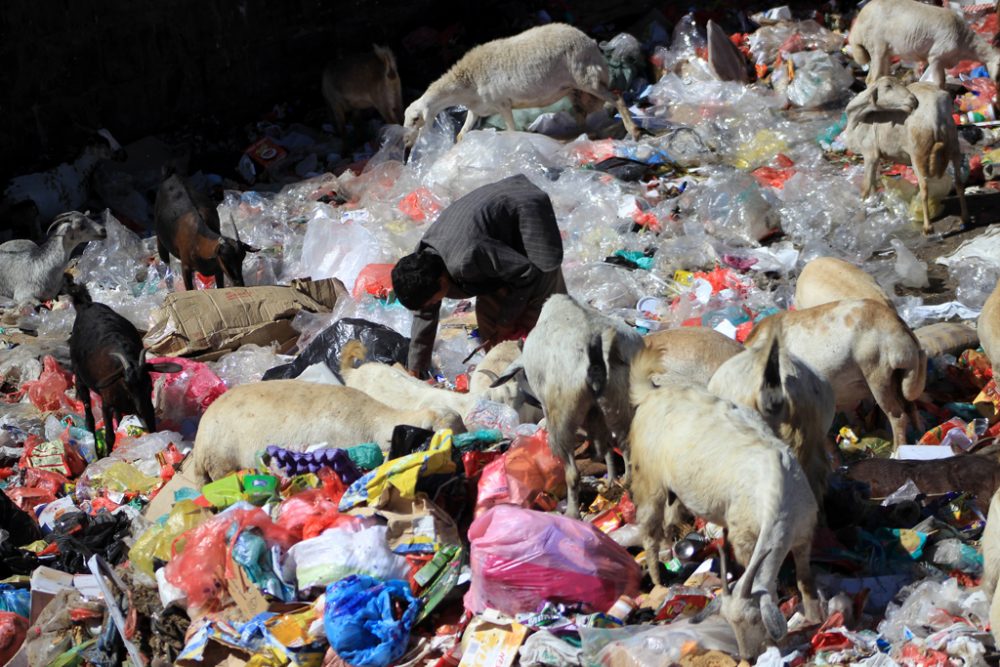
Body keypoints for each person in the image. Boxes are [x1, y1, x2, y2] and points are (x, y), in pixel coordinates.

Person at [391, 173, 566, 377]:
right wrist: (416, 369)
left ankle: (555, 374)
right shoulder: (424, 261)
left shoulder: (467, 258)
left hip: (526, 211)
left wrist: (507, 321)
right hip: (497, 247)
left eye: (432, 301)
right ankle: (507, 375)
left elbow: (526, 272)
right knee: (492, 329)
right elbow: (425, 313)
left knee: (543, 318)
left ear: (441, 281)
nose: (431, 306)